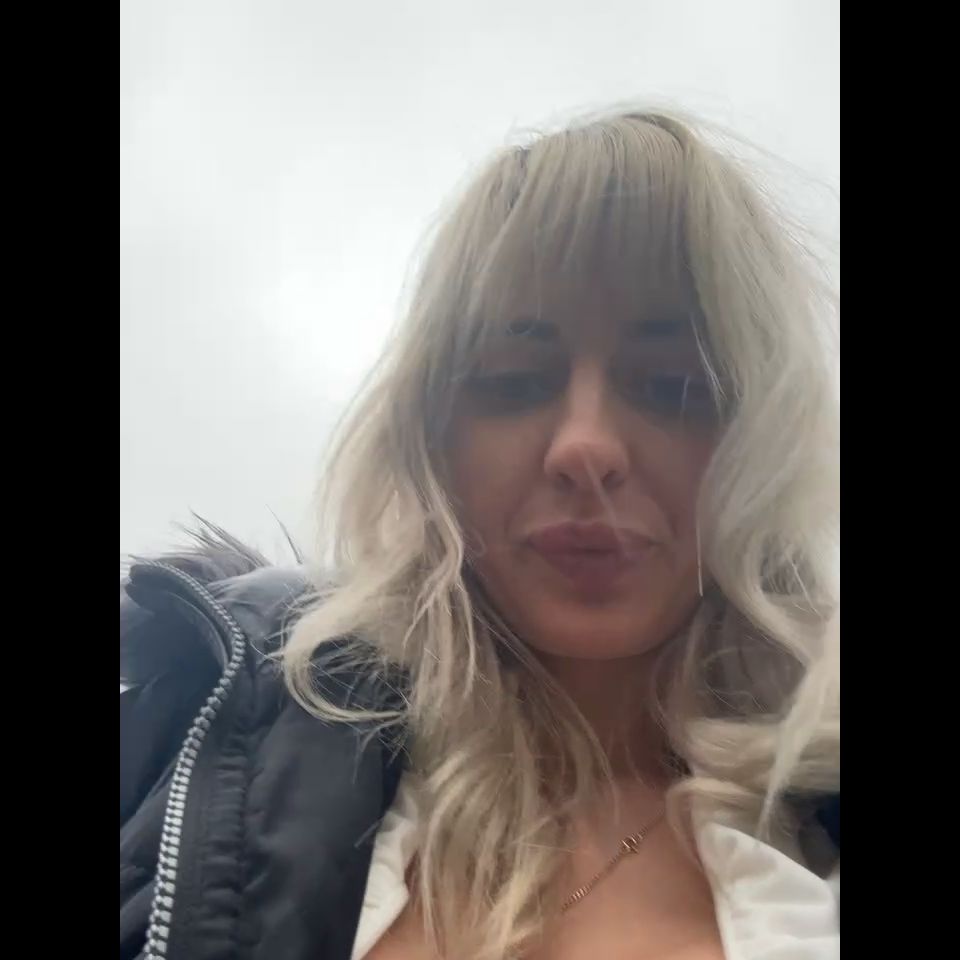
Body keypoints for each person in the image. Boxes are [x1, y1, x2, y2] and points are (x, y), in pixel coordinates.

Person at [120, 109, 840, 960]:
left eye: (673, 385)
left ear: (763, 439)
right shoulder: (195, 742)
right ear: (431, 437)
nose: (585, 448)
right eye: (513, 380)